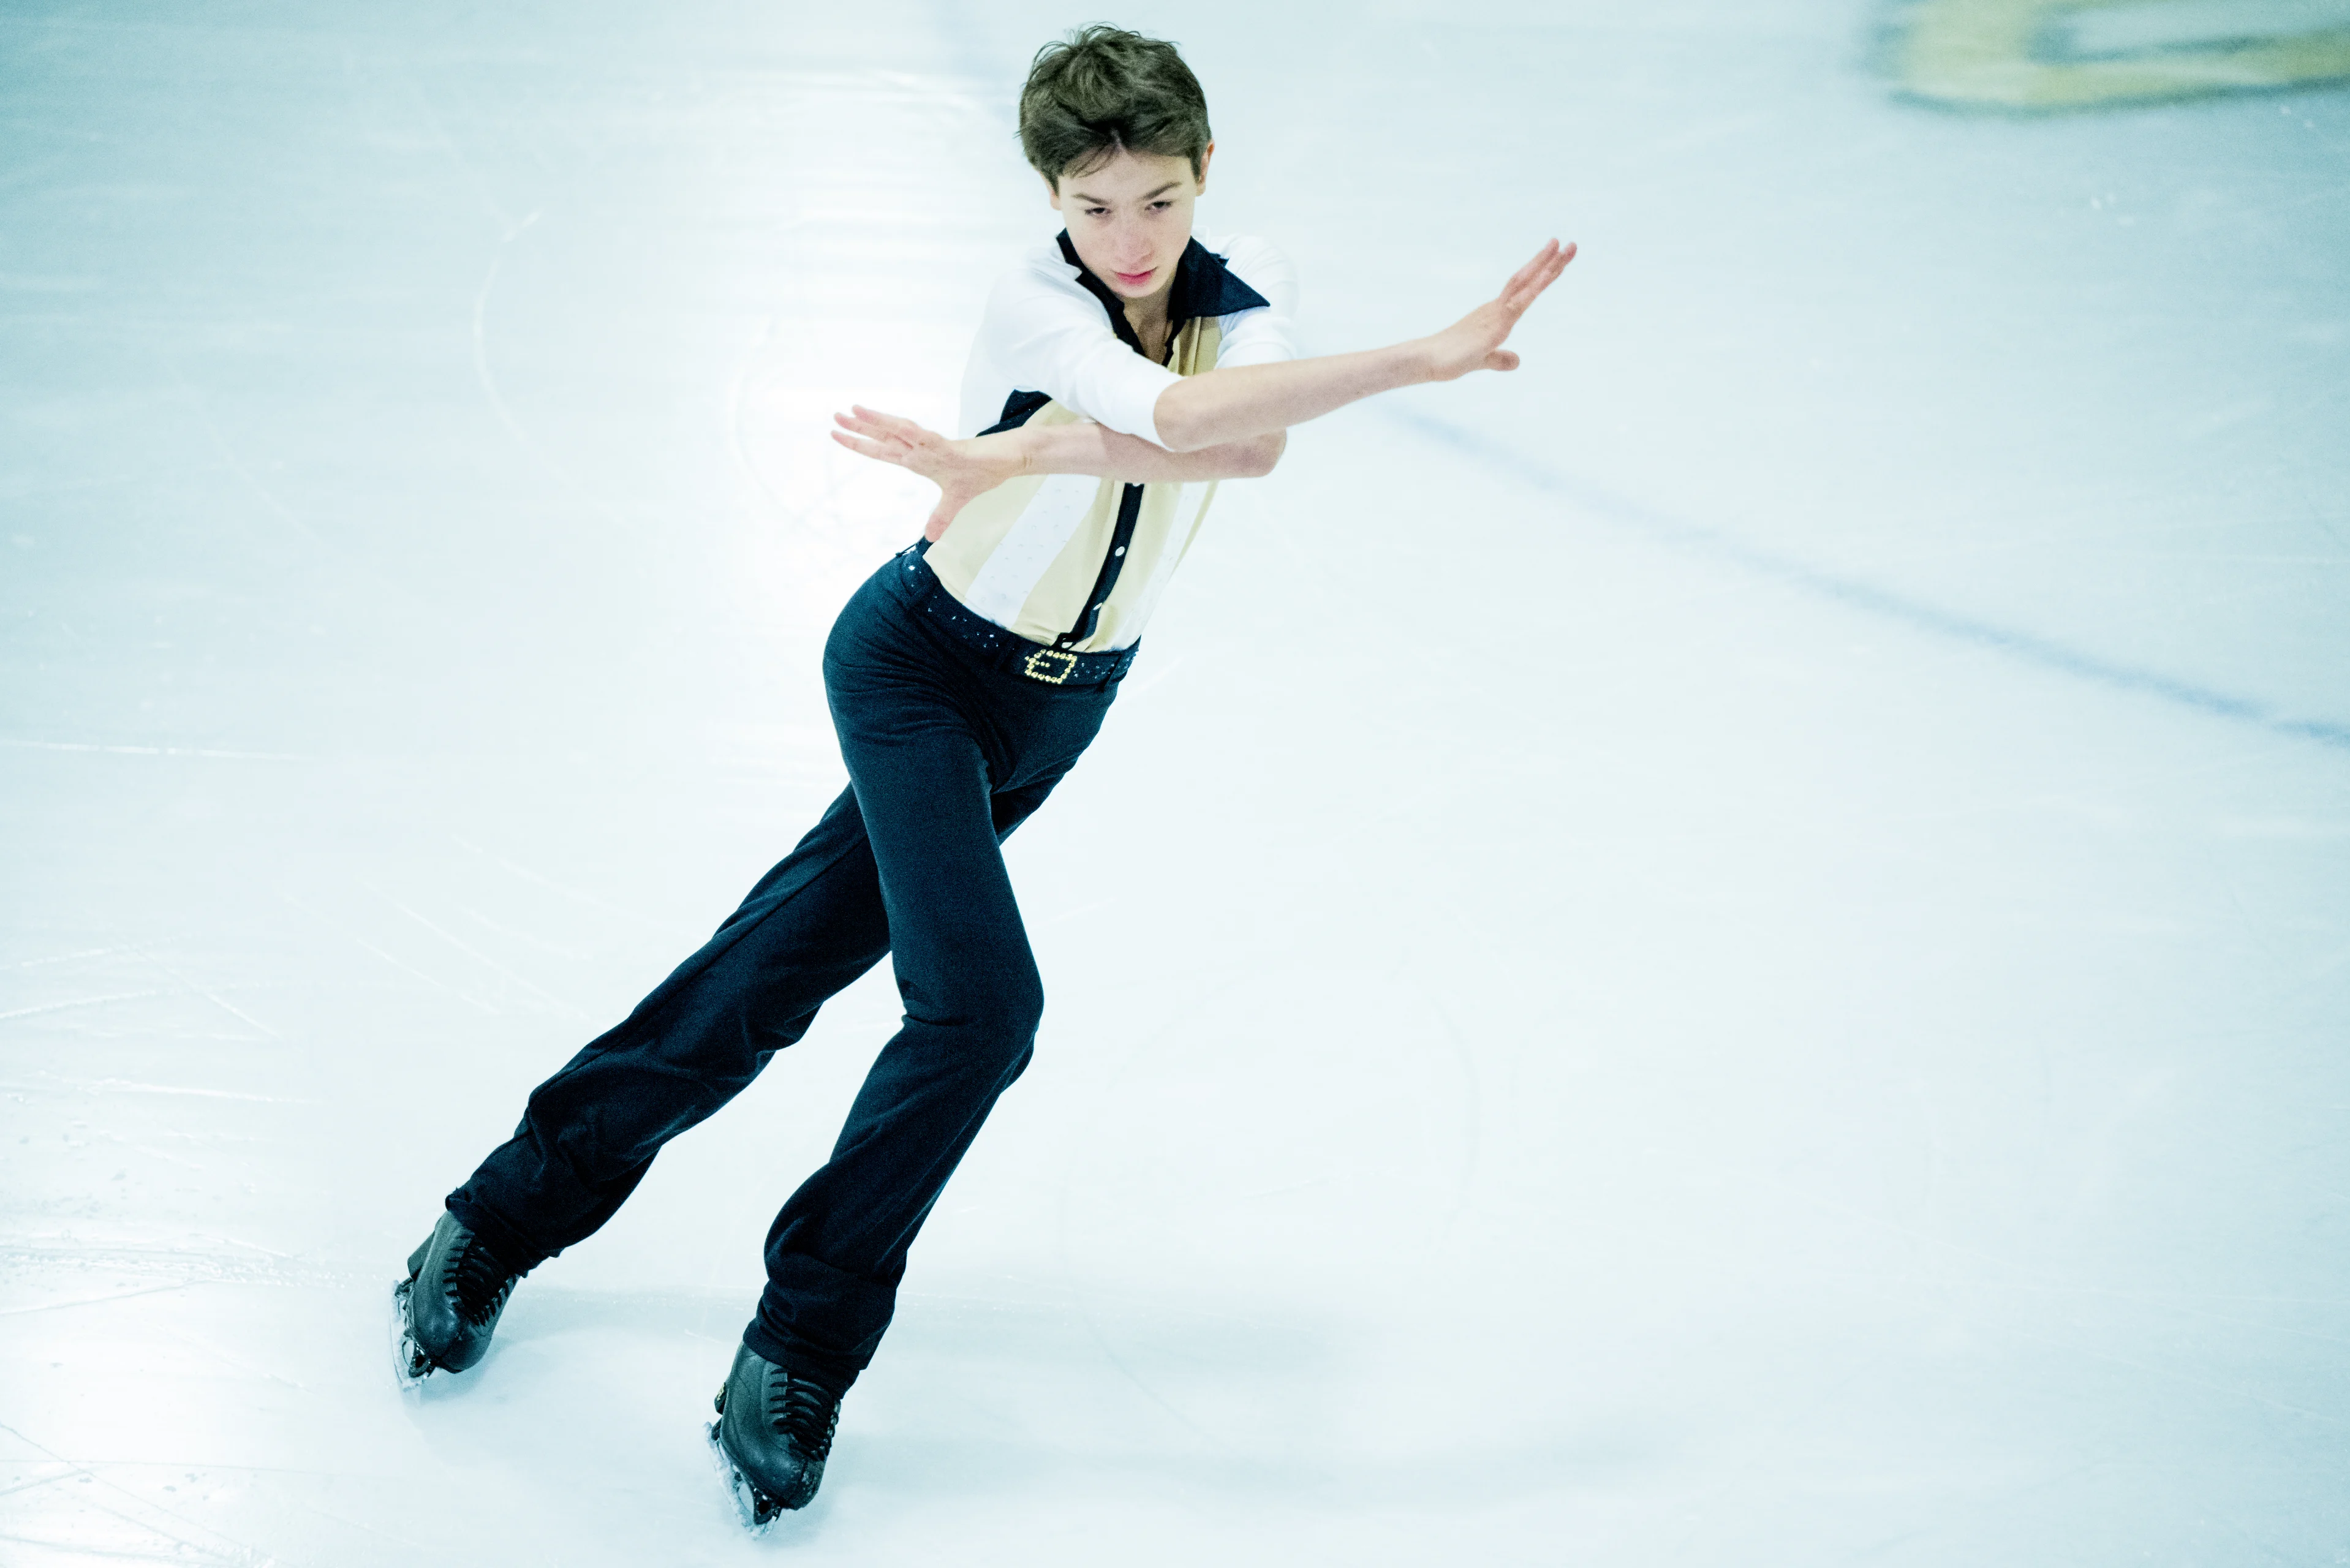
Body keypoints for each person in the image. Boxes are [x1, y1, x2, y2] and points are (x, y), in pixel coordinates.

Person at [393, 23, 1573, 1526]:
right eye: (1094, 206)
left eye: (1157, 198)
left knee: (769, 972)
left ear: (1204, 173)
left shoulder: (1240, 286)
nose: (1130, 238)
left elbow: (1252, 447)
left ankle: (492, 1215)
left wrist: (1025, 460)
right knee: (981, 1009)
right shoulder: (1033, 301)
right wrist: (1419, 356)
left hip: (1059, 712)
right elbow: (1187, 421)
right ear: (1051, 200)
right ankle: (799, 1343)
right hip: (917, 667)